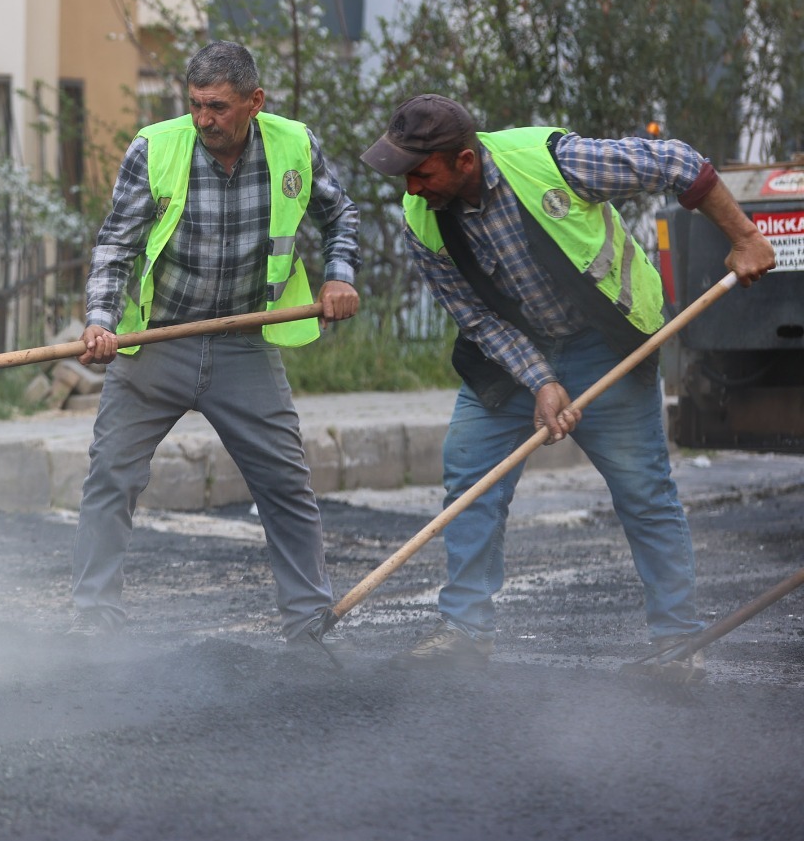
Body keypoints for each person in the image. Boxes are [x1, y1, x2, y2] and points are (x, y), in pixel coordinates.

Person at [361, 94, 776, 677]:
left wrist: (745, 237)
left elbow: (679, 162)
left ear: (464, 160)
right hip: (510, 356)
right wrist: (541, 381)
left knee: (643, 489)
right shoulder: (421, 219)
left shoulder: (554, 163)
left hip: (603, 341)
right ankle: (464, 632)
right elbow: (476, 319)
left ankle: (678, 643)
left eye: (420, 173)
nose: (410, 188)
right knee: (469, 470)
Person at [71, 41, 361, 651]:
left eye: (218, 107)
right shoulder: (155, 148)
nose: (204, 119)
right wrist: (100, 322)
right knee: (111, 476)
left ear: (255, 102)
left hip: (243, 343)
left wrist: (340, 276)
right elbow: (115, 246)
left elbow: (340, 216)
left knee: (285, 484)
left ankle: (309, 622)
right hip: (157, 343)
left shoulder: (294, 146)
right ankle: (94, 616)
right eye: (196, 104)